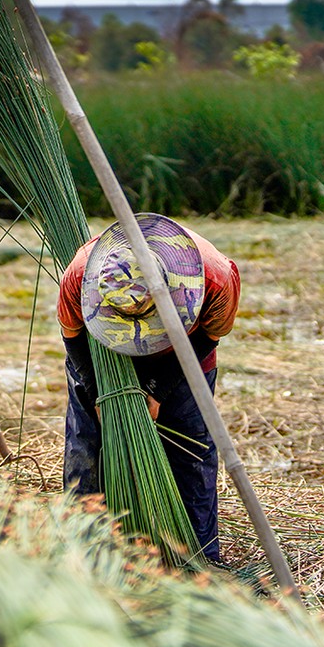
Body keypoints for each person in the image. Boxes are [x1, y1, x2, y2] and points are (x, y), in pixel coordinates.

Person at [59, 213, 240, 563]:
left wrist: (157, 391)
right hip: (106, 360)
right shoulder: (82, 274)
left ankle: (199, 559)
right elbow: (73, 335)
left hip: (182, 359)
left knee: (190, 452)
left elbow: (210, 335)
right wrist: (99, 394)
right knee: (86, 449)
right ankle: (85, 553)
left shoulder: (215, 277)